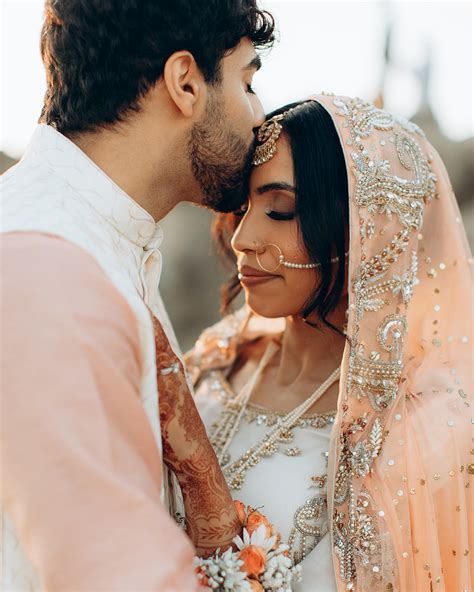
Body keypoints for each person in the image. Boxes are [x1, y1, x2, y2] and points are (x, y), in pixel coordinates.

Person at [0, 1, 275, 589]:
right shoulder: (50, 271)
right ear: (185, 83)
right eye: (248, 82)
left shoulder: (93, 244)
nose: (259, 116)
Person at [185, 95, 473, 591]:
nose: (242, 239)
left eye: (281, 210)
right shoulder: (218, 358)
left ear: (367, 228)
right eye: (243, 208)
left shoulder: (426, 424)